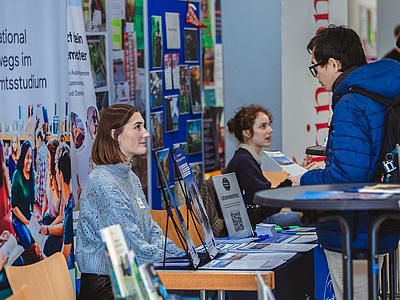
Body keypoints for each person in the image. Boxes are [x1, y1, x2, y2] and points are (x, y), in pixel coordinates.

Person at [289, 25, 400, 300]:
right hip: (381, 220)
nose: (317, 77)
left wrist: (302, 179)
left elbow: (346, 178)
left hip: (354, 231)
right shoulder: (381, 91)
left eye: (316, 67)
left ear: (334, 64)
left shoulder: (351, 102)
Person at [76, 104, 185, 299]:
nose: (146, 134)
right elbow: (131, 246)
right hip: (106, 286)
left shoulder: (130, 177)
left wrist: (180, 254)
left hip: (130, 276)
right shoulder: (102, 182)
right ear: (116, 135)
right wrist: (180, 257)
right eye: (137, 127)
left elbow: (151, 230)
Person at [225, 105, 303, 227]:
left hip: (258, 219)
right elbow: (266, 205)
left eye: (268, 125)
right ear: (246, 133)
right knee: (315, 216)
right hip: (258, 224)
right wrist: (290, 181)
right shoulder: (244, 162)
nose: (270, 130)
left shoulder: (244, 158)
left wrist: (293, 176)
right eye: (263, 126)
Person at [11, 140, 38, 263]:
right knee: (27, 241)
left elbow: (31, 201)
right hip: (18, 218)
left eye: (31, 157)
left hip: (28, 217)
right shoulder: (17, 175)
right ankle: (18, 251)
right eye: (27, 157)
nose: (29, 161)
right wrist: (26, 223)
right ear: (22, 157)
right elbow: (14, 208)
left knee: (39, 237)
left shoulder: (31, 174)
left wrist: (33, 220)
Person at [38, 138, 64, 257]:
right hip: (49, 216)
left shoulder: (61, 181)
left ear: (53, 159)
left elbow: (60, 217)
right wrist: (42, 217)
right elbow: (46, 200)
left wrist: (48, 228)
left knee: (49, 242)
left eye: (48, 156)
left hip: (56, 221)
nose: (46, 160)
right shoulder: (49, 176)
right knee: (36, 235)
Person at [34, 128, 47, 208]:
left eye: (36, 141)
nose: (36, 145)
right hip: (47, 197)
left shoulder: (39, 153)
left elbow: (38, 178)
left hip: (40, 198)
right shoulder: (46, 149)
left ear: (39, 138)